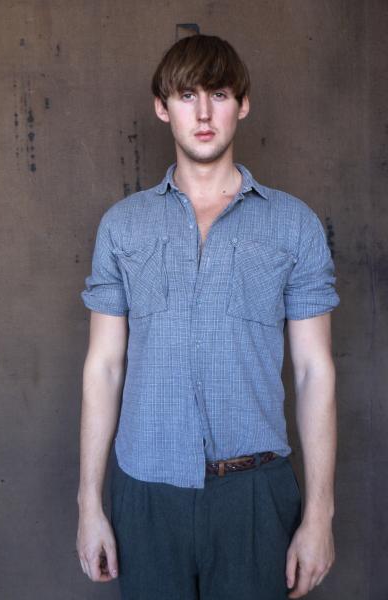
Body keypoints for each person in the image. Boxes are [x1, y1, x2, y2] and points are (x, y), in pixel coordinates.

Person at [76, 34, 340, 600]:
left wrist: (320, 514)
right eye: (186, 95)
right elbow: (104, 367)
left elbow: (314, 371)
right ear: (161, 107)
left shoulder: (293, 225)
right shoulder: (122, 226)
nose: (202, 113)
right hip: (146, 494)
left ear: (242, 105)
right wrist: (89, 504)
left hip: (255, 495)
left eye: (218, 95)